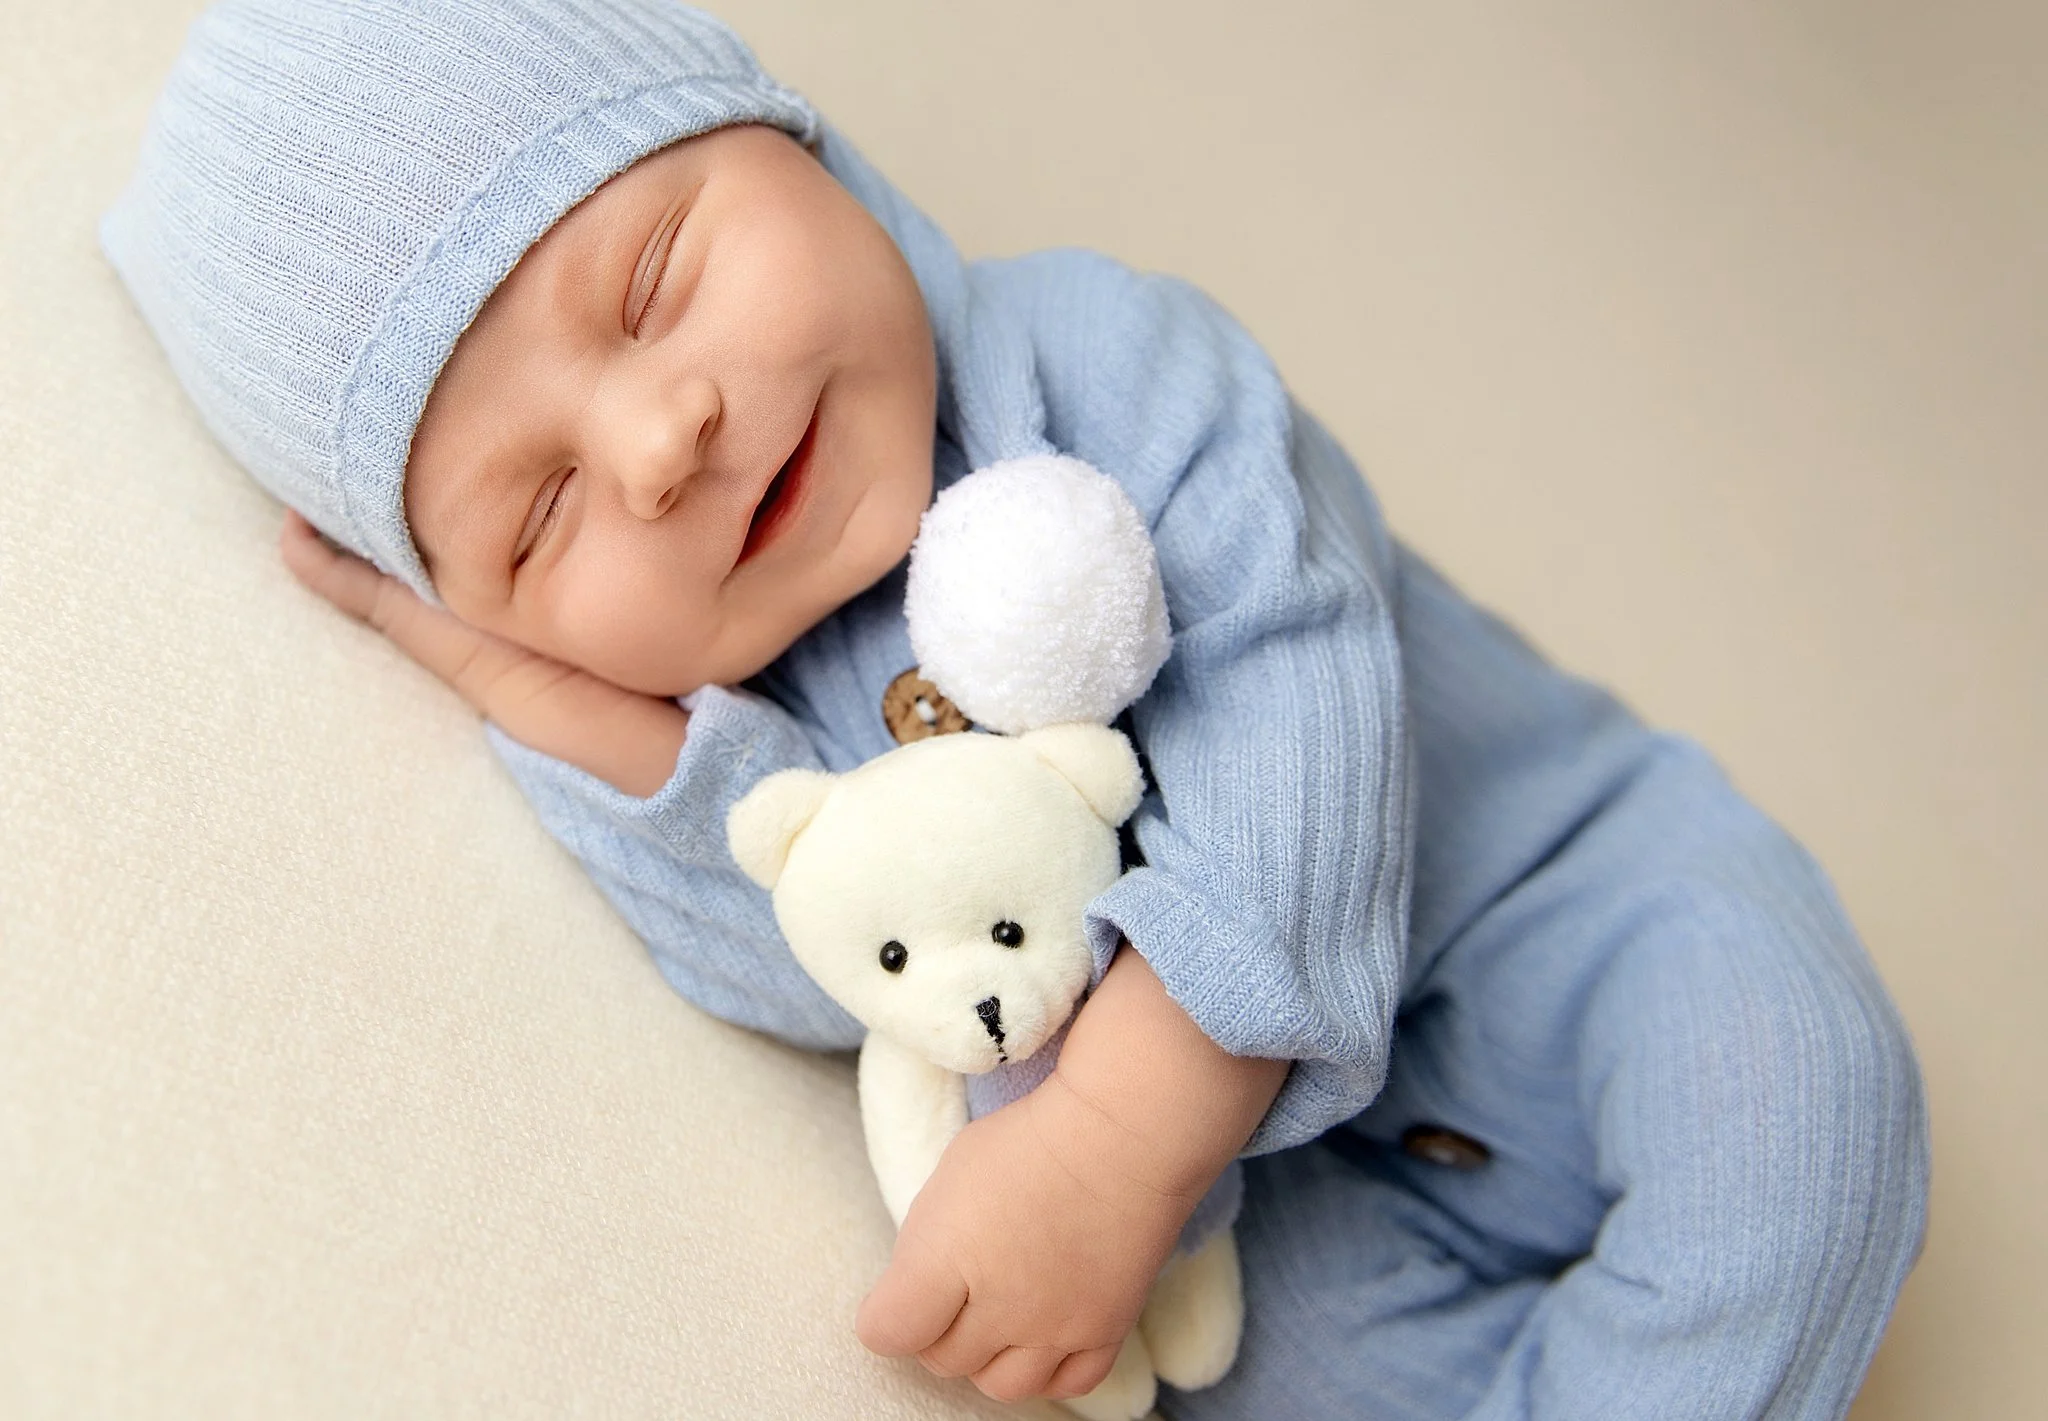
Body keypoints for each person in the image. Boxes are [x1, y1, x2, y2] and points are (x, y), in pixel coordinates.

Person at [101, 1, 1929, 1415]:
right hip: (1277, 1230)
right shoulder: (719, 708)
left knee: (1793, 1102)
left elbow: (1300, 695)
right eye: (541, 516)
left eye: (655, 282)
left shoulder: (1098, 359)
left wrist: (1123, 1129)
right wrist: (544, 703)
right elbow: (807, 963)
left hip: (1557, 916)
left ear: (780, 132)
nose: (659, 444)